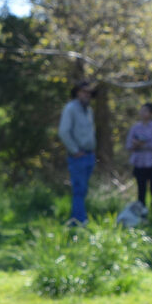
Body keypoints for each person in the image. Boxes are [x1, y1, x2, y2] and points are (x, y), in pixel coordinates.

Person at [58, 80, 97, 226]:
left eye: (89, 92)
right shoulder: (70, 108)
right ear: (77, 92)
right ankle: (80, 220)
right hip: (78, 156)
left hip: (89, 155)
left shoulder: (89, 110)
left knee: (83, 189)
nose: (87, 95)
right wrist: (74, 150)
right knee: (79, 189)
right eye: (84, 91)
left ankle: (78, 219)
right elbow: (63, 132)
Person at [126, 102, 152, 222]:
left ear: (151, 113)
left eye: (145, 111)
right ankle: (142, 218)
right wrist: (140, 144)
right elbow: (129, 145)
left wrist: (139, 144)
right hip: (139, 164)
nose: (142, 113)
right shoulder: (135, 128)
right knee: (141, 192)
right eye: (141, 110)